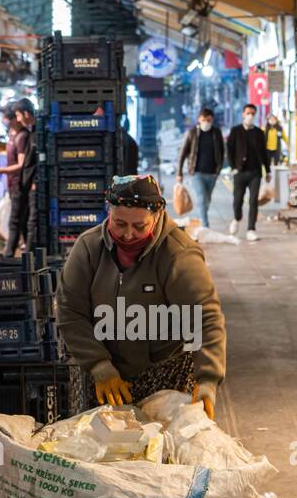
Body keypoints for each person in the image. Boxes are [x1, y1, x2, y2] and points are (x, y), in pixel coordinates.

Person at [57, 175, 225, 420]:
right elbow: (70, 310)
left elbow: (204, 316)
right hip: (105, 369)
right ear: (109, 212)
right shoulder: (88, 248)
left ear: (156, 217)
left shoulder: (179, 254)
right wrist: (99, 365)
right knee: (107, 447)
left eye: (139, 226)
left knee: (162, 449)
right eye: (119, 223)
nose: (127, 235)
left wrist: (208, 379)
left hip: (167, 370)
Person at [0, 99, 37, 257]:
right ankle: (25, 253)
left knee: (18, 220)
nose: (6, 121)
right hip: (18, 183)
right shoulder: (14, 135)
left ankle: (11, 254)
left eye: (16, 115)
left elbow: (22, 163)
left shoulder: (23, 136)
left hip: (22, 183)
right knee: (21, 221)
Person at [226, 102, 269, 242]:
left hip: (255, 172)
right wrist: (232, 167)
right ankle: (236, 218)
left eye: (252, 114)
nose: (250, 116)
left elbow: (264, 153)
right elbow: (230, 150)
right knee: (237, 200)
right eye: (248, 113)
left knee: (253, 201)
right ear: (243, 114)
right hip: (239, 172)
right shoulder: (235, 131)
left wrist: (267, 171)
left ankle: (251, 229)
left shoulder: (259, 133)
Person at [176, 107, 225, 228]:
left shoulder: (216, 133)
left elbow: (222, 152)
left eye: (208, 120)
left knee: (206, 201)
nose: (206, 122)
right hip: (196, 173)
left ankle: (200, 218)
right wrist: (179, 172)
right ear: (199, 119)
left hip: (212, 174)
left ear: (212, 119)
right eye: (204, 119)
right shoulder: (192, 133)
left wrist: (218, 170)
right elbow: (183, 153)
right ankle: (205, 226)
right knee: (202, 198)